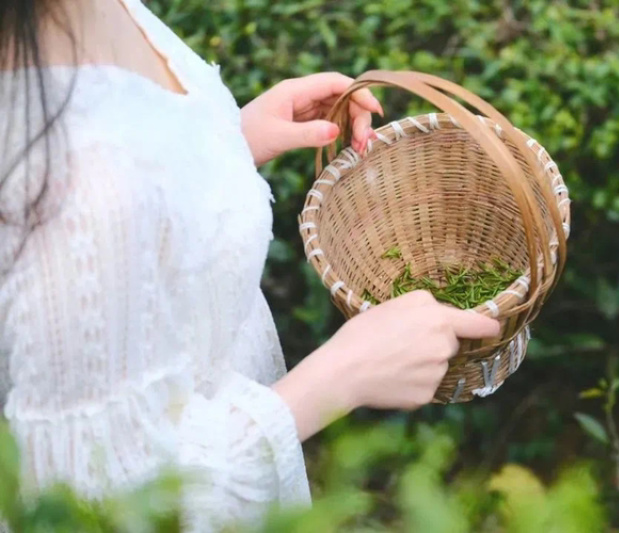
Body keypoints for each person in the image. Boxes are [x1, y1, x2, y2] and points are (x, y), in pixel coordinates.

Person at [0, 0, 500, 530]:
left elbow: (130, 242)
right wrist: (343, 376)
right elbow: (100, 507)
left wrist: (221, 147)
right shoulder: (72, 182)